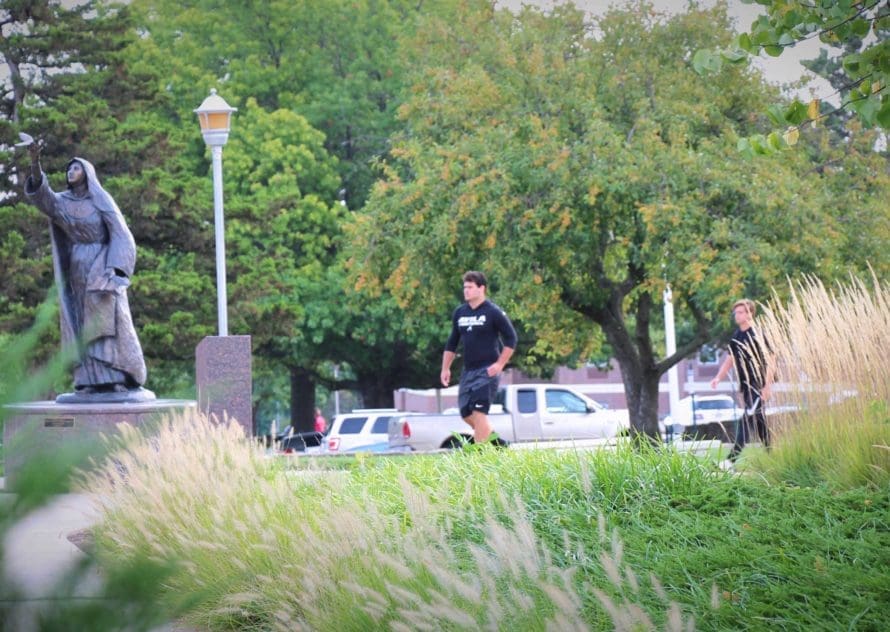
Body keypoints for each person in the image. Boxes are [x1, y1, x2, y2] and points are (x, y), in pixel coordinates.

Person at [24, 140, 149, 400]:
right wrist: (35, 162)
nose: (71, 172)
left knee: (107, 320)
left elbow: (121, 233)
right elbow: (42, 197)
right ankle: (88, 381)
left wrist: (117, 270)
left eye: (76, 169)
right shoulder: (63, 203)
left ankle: (116, 376)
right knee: (81, 321)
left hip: (102, 265)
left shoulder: (100, 201)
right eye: (69, 169)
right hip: (78, 266)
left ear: (87, 174)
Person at [440, 271, 517, 444]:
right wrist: (445, 368)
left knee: (479, 413)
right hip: (469, 371)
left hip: (488, 370)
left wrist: (499, 365)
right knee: (466, 413)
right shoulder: (460, 313)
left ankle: (479, 455)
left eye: (470, 287)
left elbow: (511, 339)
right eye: (464, 287)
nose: (465, 290)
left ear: (481, 288)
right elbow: (452, 343)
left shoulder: (493, 312)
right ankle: (498, 444)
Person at [710, 298, 773, 461]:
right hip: (745, 384)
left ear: (749, 313)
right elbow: (729, 360)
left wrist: (767, 385)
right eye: (735, 312)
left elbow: (772, 357)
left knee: (747, 419)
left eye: (740, 312)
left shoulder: (758, 333)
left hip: (758, 383)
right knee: (759, 420)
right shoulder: (737, 335)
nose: (736, 315)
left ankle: (731, 459)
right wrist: (718, 378)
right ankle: (771, 454)